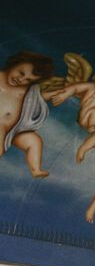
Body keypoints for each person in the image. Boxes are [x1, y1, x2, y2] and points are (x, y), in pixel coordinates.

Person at [0, 50, 55, 178]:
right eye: (21, 73)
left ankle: (36, 169)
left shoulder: (27, 91)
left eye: (28, 80)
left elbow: (39, 99)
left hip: (14, 130)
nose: (21, 79)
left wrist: (58, 94)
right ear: (13, 64)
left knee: (34, 141)